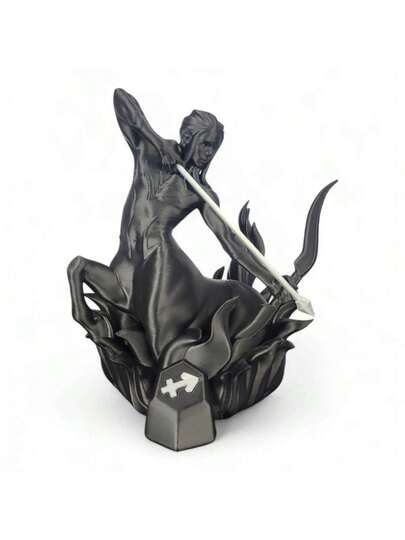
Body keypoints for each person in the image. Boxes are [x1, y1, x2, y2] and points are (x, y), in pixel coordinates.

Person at [68, 89, 279, 362]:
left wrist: (272, 281)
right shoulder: (148, 155)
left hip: (160, 263)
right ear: (188, 137)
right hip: (127, 260)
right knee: (78, 267)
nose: (208, 153)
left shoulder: (201, 192)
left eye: (214, 148)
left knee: (159, 349)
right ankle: (83, 315)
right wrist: (158, 142)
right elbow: (121, 99)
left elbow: (230, 240)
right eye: (205, 144)